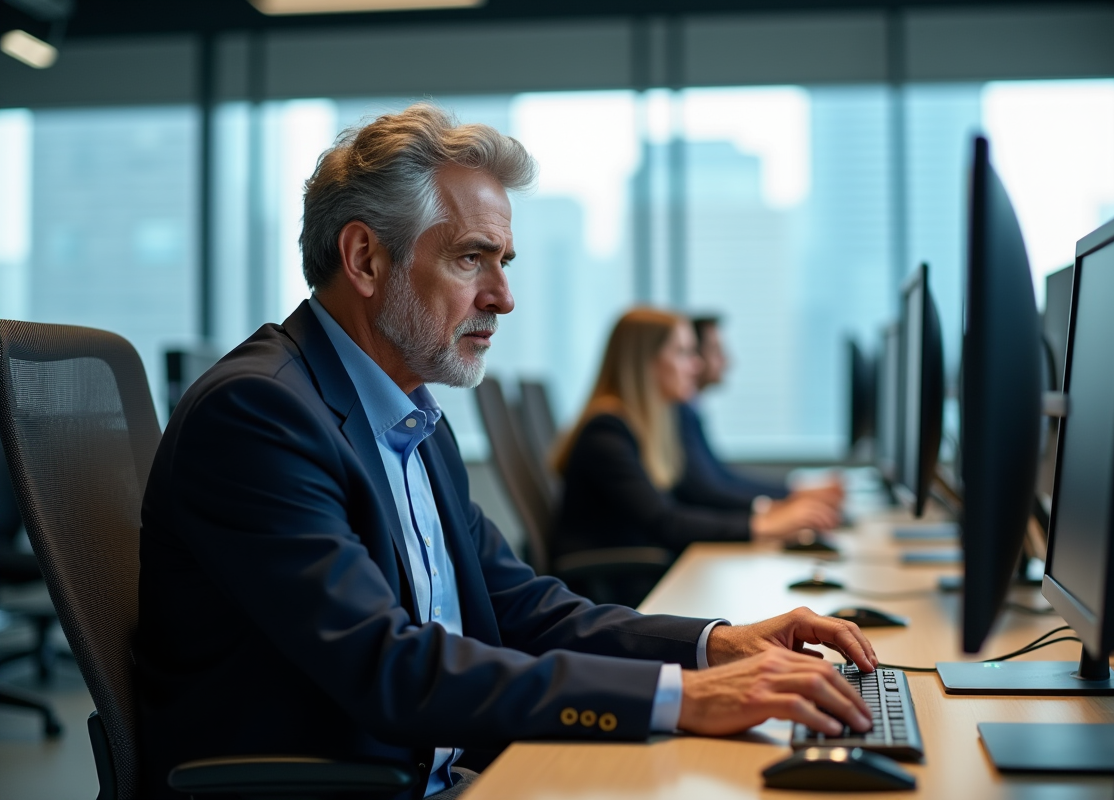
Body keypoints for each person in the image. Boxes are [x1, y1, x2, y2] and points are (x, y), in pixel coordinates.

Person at [135, 105, 878, 800]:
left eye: (505, 262)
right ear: (364, 258)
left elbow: (522, 608)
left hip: (458, 765)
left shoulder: (411, 416)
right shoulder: (260, 414)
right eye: (471, 259)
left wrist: (713, 647)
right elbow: (389, 665)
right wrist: (680, 698)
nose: (502, 296)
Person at [552, 308, 841, 560]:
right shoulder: (606, 432)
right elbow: (664, 521)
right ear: (645, 363)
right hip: (614, 589)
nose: (696, 365)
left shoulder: (644, 425)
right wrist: (764, 523)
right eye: (683, 353)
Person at [675, 315, 845, 514]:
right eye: (716, 351)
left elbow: (723, 477)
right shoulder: (680, 413)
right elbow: (707, 490)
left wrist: (792, 493)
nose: (727, 361)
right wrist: (776, 507)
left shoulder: (691, 410)